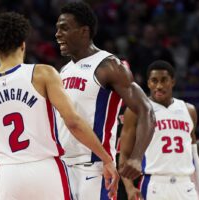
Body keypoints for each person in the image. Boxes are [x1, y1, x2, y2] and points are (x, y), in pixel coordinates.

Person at [0, 12, 119, 200]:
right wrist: (106, 159)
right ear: (23, 44)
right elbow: (73, 122)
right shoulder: (43, 74)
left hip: (9, 174)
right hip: (45, 169)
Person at [55, 2, 155, 199]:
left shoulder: (109, 66)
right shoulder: (64, 70)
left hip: (94, 167)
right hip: (62, 165)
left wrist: (136, 157)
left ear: (84, 31)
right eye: (57, 29)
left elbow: (146, 111)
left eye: (64, 28)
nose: (57, 34)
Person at [119, 60, 199, 200]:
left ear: (173, 82)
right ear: (148, 83)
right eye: (154, 81)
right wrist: (129, 188)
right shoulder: (136, 111)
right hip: (155, 184)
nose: (159, 86)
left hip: (185, 185)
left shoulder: (189, 110)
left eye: (164, 80)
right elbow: (124, 154)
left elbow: (194, 156)